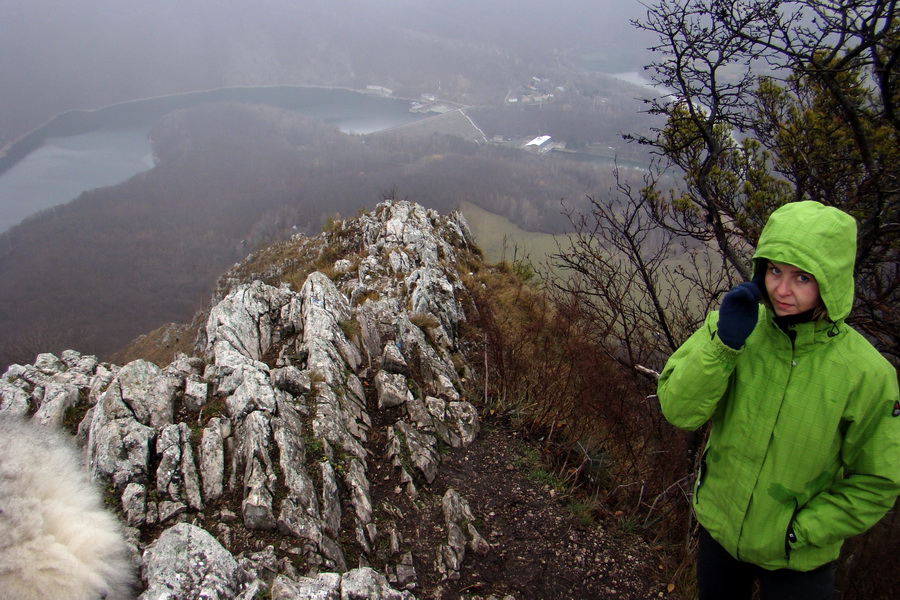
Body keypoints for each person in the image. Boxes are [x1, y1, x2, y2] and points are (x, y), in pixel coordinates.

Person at [657, 201, 900, 600]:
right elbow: (678, 410)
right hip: (721, 532)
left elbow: (877, 481)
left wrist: (799, 530)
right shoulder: (733, 328)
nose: (782, 291)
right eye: (774, 271)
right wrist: (725, 346)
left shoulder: (866, 374)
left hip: (799, 556)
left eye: (803, 277)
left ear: (832, 281)